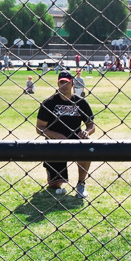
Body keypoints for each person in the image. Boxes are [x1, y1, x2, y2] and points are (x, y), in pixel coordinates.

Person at [35, 71, 95, 199]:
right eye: (61, 82)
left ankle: (81, 184)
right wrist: (56, 135)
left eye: (67, 83)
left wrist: (87, 132)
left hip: (75, 141)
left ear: (72, 84)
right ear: (58, 84)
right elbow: (39, 128)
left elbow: (91, 125)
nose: (64, 86)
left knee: (86, 145)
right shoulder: (49, 103)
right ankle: (54, 177)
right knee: (55, 185)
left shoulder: (81, 102)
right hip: (55, 144)